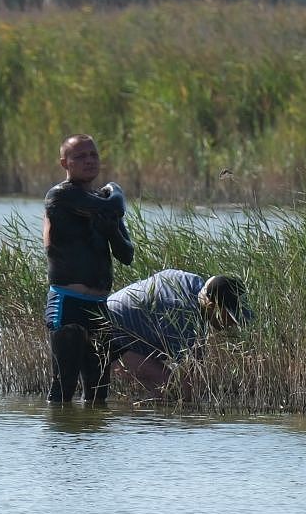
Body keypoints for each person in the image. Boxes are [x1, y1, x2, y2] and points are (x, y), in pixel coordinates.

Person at [44, 134, 134, 404]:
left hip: (98, 306)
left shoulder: (101, 200)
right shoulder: (61, 195)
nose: (89, 160)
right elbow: (116, 204)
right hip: (68, 301)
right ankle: (60, 439)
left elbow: (126, 254)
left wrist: (112, 233)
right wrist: (116, 191)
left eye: (93, 154)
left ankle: (91, 442)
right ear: (65, 163)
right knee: (64, 386)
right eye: (80, 156)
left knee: (98, 392)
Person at [107, 269, 250, 402]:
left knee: (171, 389)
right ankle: (133, 420)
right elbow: (189, 378)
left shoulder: (195, 286)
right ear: (212, 306)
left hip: (126, 334)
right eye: (230, 317)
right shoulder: (183, 313)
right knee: (170, 390)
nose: (233, 324)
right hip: (106, 337)